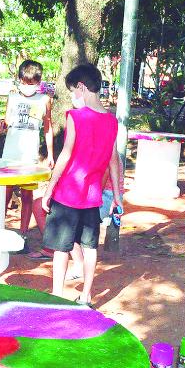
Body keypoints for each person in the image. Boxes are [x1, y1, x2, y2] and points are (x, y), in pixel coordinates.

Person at [39, 63, 122, 305]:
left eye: (74, 91)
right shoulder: (111, 121)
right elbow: (113, 160)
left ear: (82, 88)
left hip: (67, 193)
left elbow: (65, 154)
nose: (73, 96)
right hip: (93, 196)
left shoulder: (76, 117)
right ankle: (85, 296)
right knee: (90, 246)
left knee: (61, 248)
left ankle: (57, 295)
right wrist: (117, 195)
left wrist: (49, 188)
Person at [0, 60, 53, 244]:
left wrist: (50, 154)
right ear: (19, 79)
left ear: (39, 81)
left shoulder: (44, 99)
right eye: (26, 82)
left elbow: (48, 128)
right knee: (5, 193)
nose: (29, 87)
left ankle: (23, 234)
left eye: (33, 83)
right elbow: (6, 123)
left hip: (30, 157)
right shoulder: (12, 97)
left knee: (27, 196)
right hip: (10, 156)